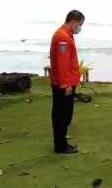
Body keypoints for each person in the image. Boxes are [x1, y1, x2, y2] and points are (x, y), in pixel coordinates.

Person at [50, 10, 85, 154]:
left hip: (65, 81)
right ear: (74, 21)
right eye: (80, 24)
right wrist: (66, 85)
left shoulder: (65, 34)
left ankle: (62, 143)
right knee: (62, 115)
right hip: (63, 84)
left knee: (63, 114)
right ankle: (60, 146)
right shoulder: (63, 37)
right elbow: (62, 63)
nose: (80, 27)